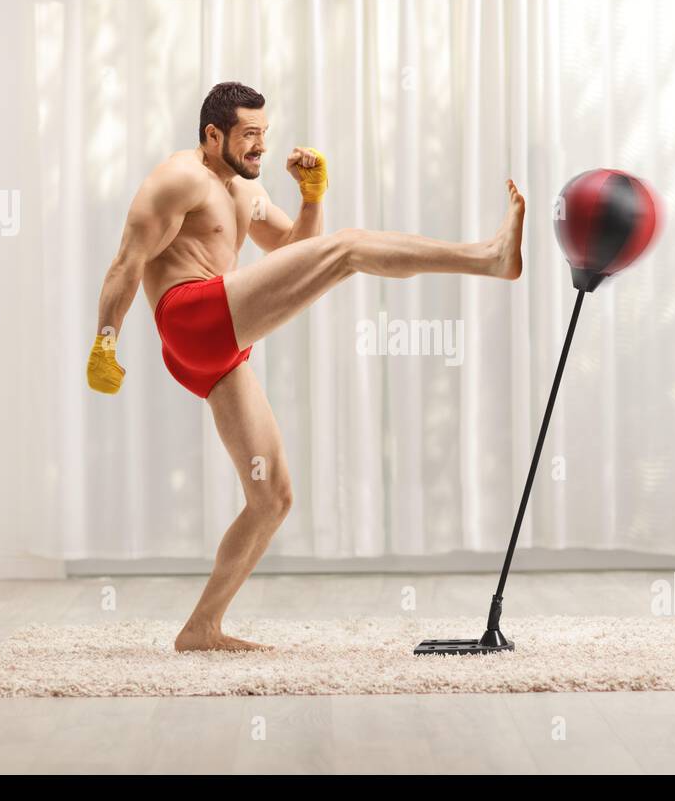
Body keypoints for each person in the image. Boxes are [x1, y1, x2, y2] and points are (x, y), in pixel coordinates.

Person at [86, 81, 525, 652]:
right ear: (212, 134)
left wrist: (312, 196)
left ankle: (201, 628)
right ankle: (488, 258)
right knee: (347, 250)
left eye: (264, 135)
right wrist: (105, 342)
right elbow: (127, 262)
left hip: (219, 350)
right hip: (191, 318)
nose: (260, 149)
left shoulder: (245, 190)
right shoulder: (178, 179)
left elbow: (293, 253)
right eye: (249, 136)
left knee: (272, 498)